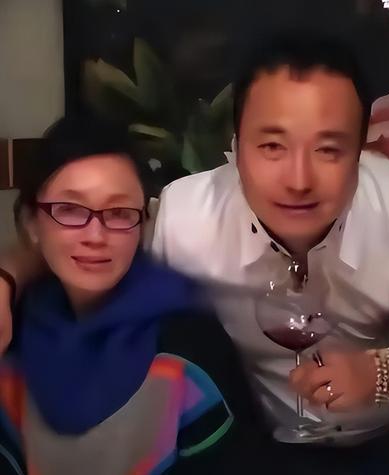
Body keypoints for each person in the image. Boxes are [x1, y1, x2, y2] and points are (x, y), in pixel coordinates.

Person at [0, 33, 389, 474]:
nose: (298, 180)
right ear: (236, 146)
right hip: (250, 447)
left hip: (386, 444)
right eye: (271, 146)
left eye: (328, 149)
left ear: (360, 150)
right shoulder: (186, 218)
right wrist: (8, 275)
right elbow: (91, 239)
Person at [0, 116, 269, 475]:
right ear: (32, 223)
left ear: (142, 225)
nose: (95, 235)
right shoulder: (10, 331)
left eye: (118, 213)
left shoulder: (189, 346)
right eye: (70, 210)